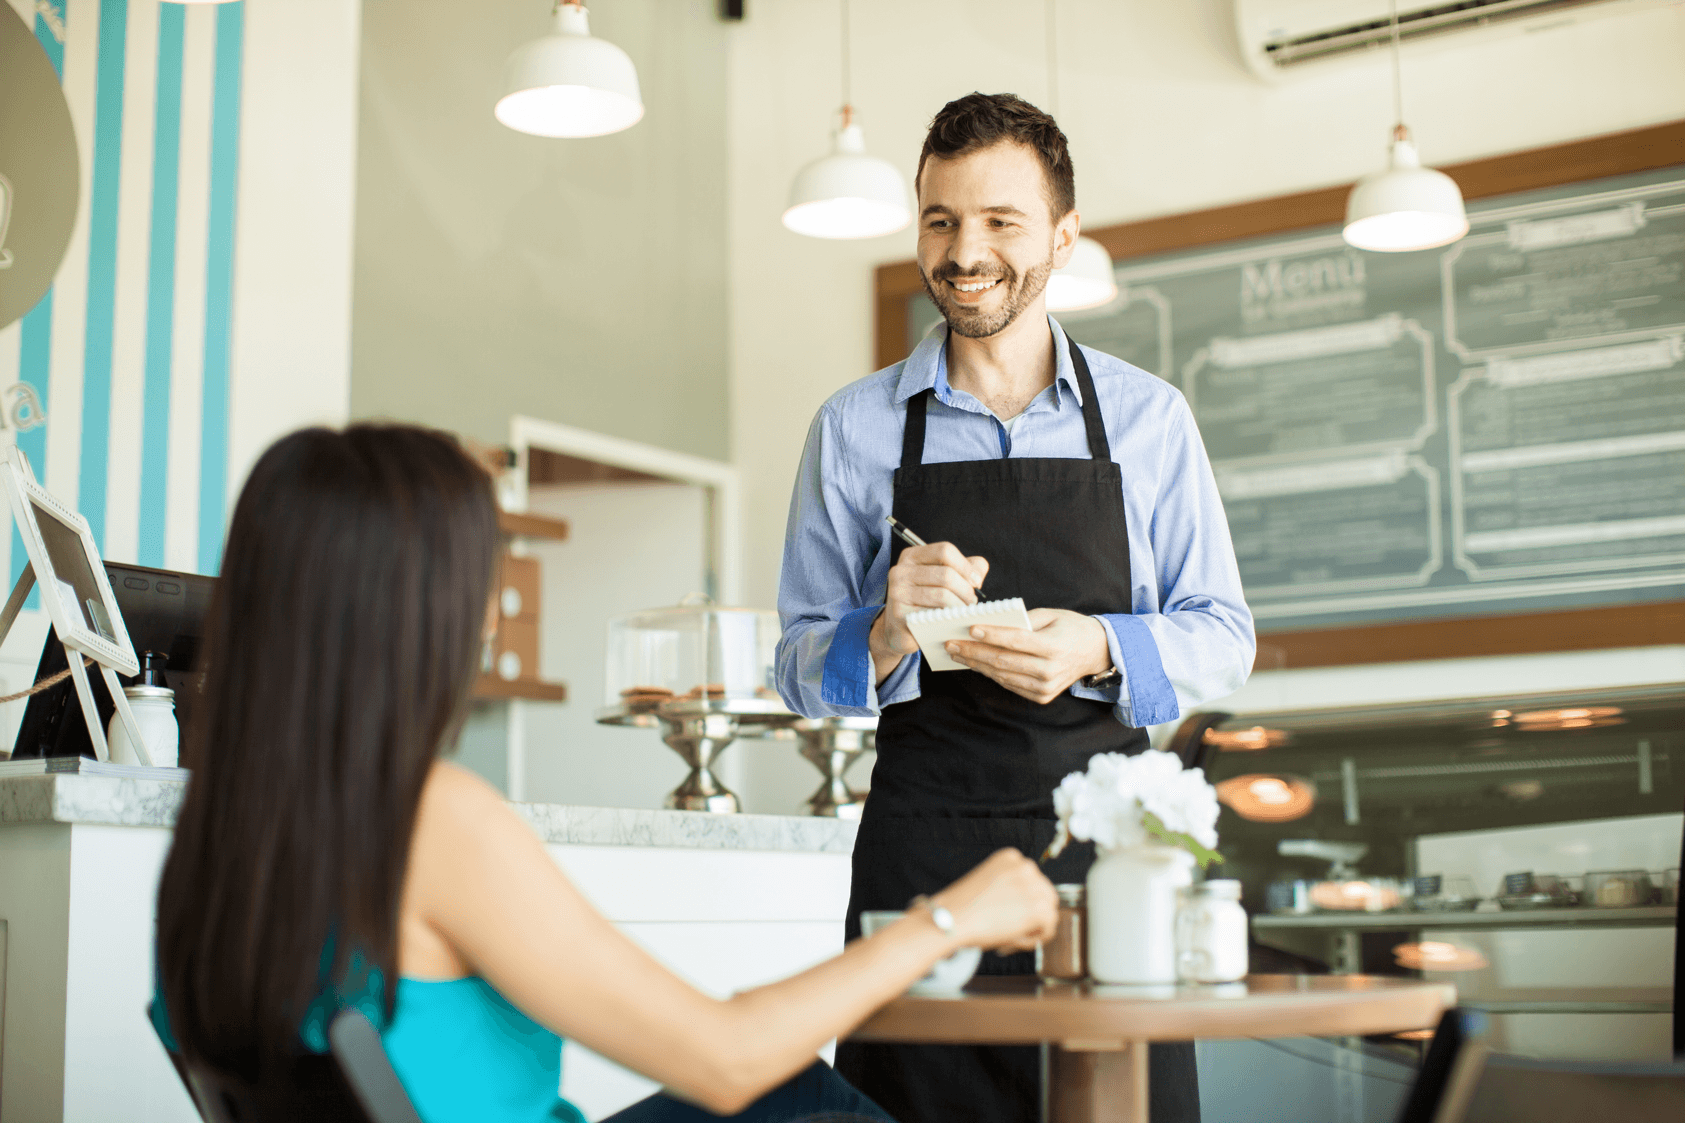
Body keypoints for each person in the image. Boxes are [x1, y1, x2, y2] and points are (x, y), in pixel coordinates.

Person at [152, 424, 1059, 1123]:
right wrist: (950, 920)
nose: (485, 622)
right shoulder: (431, 823)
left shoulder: (216, 839)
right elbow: (725, 1052)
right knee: (797, 1094)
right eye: (477, 586)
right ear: (409, 614)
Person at [775, 93, 1255, 1123]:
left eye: (1000, 221)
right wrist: (883, 630)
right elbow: (798, 665)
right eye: (940, 220)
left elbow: (1224, 636)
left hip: (1105, 861)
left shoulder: (1147, 420)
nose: (964, 251)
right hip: (919, 856)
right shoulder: (853, 430)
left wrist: (1097, 643)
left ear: (1062, 238)